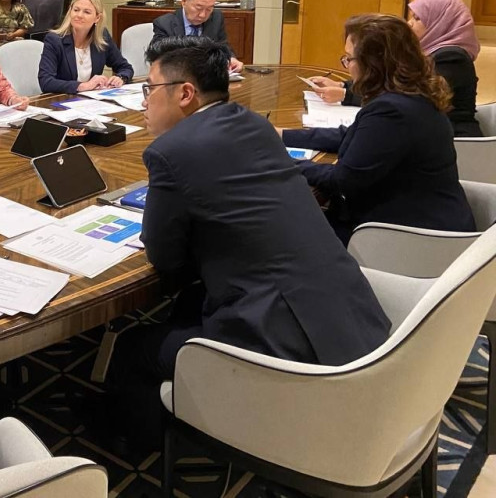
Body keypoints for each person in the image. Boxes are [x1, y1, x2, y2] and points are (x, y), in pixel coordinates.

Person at [104, 35, 389, 443]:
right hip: (346, 316)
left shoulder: (170, 151)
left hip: (282, 345)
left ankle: (132, 446)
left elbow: (165, 258)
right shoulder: (253, 123)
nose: (144, 102)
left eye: (150, 89)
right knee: (191, 301)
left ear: (185, 94)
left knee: (132, 347)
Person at [281, 14, 474, 242]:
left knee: (280, 230)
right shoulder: (413, 94)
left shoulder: (392, 111)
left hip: (407, 237)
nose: (347, 67)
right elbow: (352, 136)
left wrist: (281, 161)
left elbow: (343, 180)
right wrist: (283, 135)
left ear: (373, 64)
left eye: (349, 59)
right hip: (419, 218)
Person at [307, 0, 483, 137]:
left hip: (456, 141)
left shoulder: (452, 57)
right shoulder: (426, 51)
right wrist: (342, 85)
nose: (409, 23)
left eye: (417, 19)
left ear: (440, 23)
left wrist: (345, 95)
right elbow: (394, 83)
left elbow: (407, 95)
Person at [37, 0, 134, 94]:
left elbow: (125, 67)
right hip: (63, 100)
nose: (79, 15)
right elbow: (46, 82)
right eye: (76, 10)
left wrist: (120, 78)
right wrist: (83, 86)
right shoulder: (54, 40)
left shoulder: (102, 37)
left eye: (86, 12)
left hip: (92, 99)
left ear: (97, 18)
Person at [150, 0, 245, 73]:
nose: (203, 15)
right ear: (184, 1)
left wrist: (231, 58)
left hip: (207, 76)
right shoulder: (164, 23)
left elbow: (223, 45)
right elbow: (156, 52)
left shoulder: (216, 18)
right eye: (198, 8)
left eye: (209, 9)